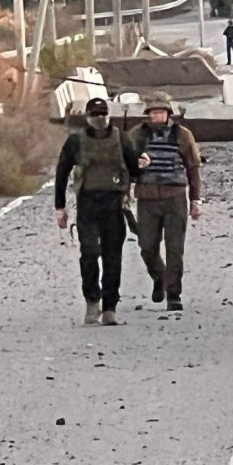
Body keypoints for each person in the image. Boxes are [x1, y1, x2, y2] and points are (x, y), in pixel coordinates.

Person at [55, 98, 143, 326]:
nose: (100, 119)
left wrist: (131, 188)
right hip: (87, 204)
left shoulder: (120, 138)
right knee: (90, 254)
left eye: (103, 115)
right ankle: (92, 301)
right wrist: (60, 207)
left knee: (113, 257)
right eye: (96, 115)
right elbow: (62, 172)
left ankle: (110, 306)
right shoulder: (76, 141)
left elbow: (134, 168)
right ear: (87, 117)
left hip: (113, 204)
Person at [127, 92, 203, 312]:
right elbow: (123, 162)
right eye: (153, 112)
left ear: (168, 113)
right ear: (147, 114)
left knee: (174, 249)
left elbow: (193, 167)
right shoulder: (136, 135)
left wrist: (195, 200)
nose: (157, 115)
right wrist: (126, 187)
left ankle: (173, 294)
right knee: (146, 246)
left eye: (161, 112)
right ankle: (159, 277)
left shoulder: (183, 135)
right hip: (146, 198)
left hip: (175, 198)